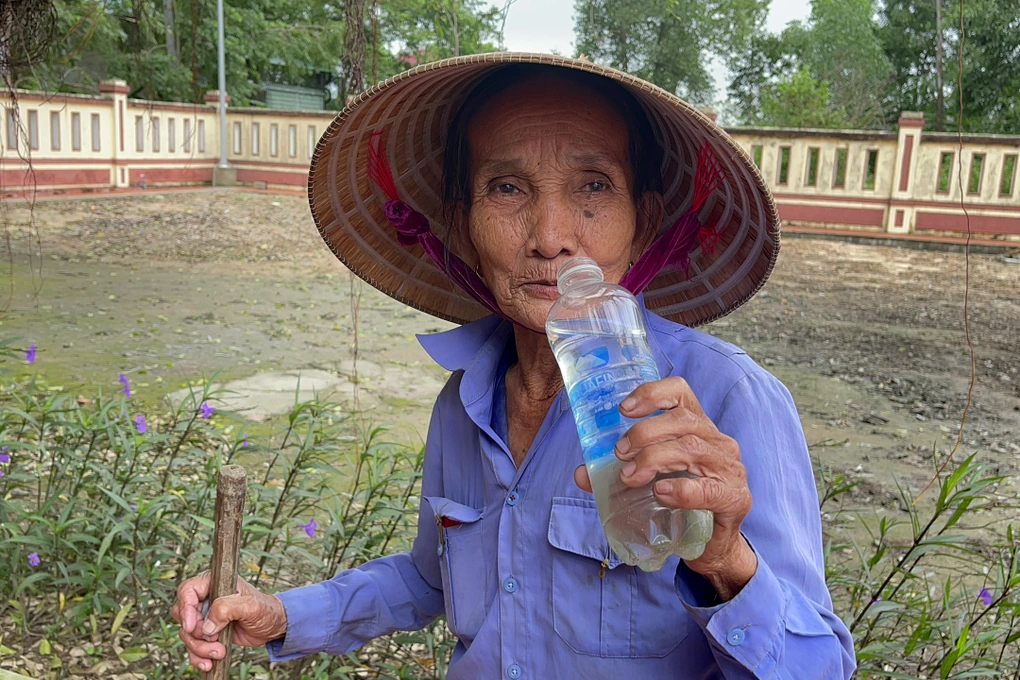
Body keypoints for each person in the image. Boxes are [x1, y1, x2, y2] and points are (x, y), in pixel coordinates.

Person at [171, 54, 856, 678]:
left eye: (594, 185)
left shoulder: (726, 398)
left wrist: (726, 563)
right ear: (462, 225)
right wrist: (282, 615)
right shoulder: (465, 400)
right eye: (506, 188)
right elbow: (428, 579)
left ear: (643, 221)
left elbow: (822, 667)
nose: (550, 238)